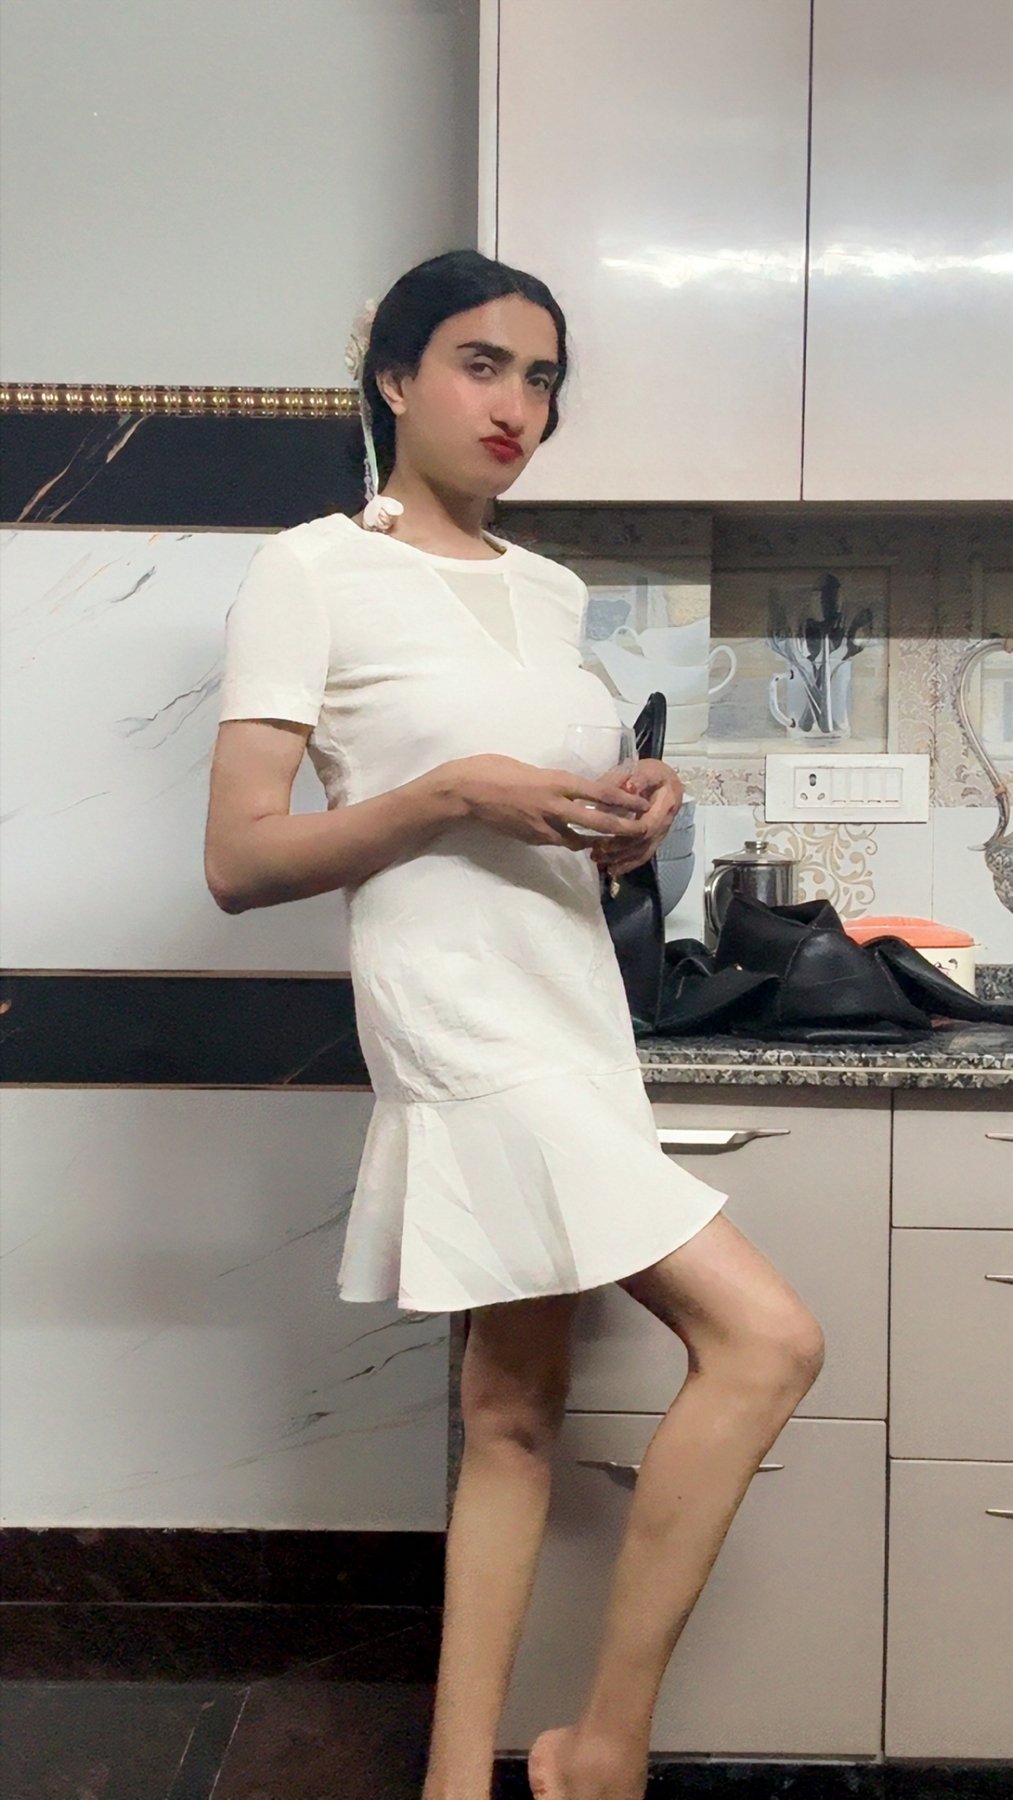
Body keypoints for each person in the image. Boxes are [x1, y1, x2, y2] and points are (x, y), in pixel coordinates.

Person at [204, 249, 825, 1800]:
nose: (517, 406)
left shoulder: (549, 590)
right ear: (394, 376)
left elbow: (549, 826)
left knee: (506, 1416)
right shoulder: (309, 571)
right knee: (765, 1340)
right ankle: (600, 1749)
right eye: (480, 364)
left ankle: (454, 1781)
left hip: (569, 1010)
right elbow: (239, 860)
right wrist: (447, 795)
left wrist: (629, 817)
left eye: (541, 379)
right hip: (460, 1025)